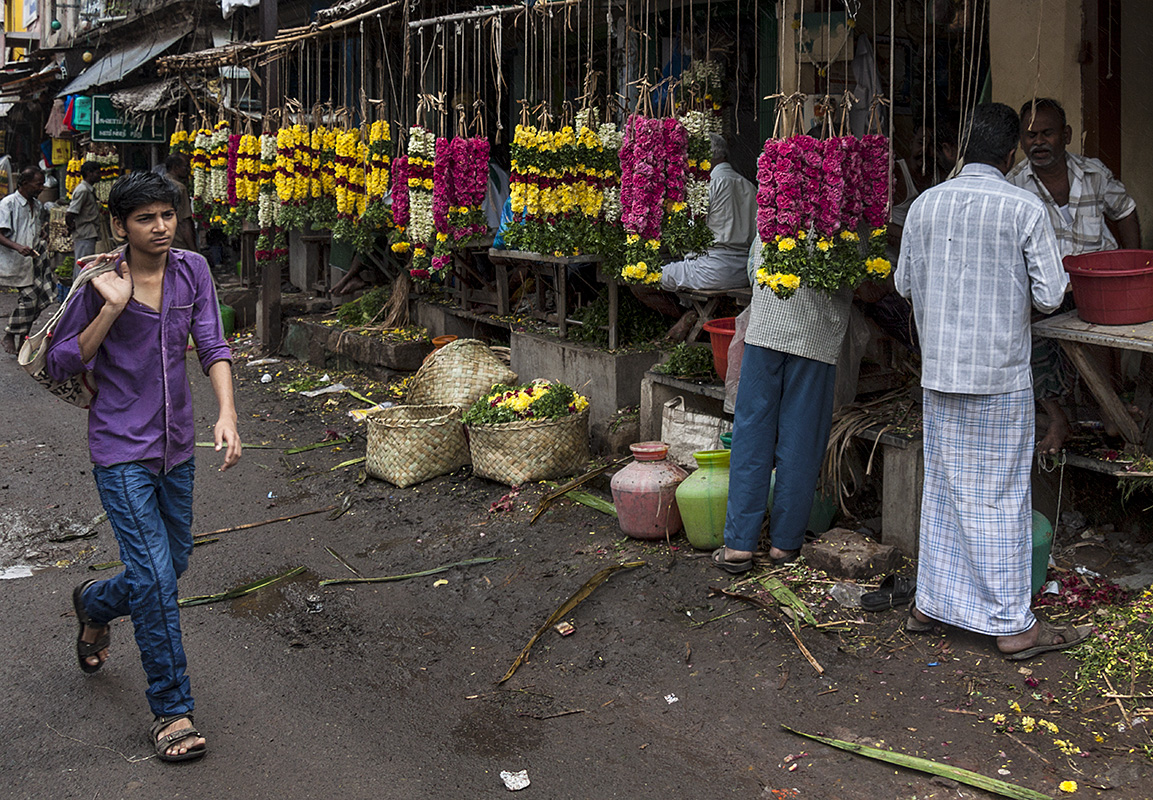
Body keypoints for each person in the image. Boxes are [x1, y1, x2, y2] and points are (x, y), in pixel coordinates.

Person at [46, 171, 241, 761]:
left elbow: (212, 343)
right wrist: (113, 306)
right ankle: (172, 710)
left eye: (167, 215)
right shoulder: (95, 280)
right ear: (119, 226)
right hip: (119, 448)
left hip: (176, 445)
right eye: (144, 218)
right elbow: (60, 361)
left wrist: (227, 413)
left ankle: (96, 603)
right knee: (155, 579)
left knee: (172, 564)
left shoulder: (193, 271)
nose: (159, 227)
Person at [895, 102, 1088, 660]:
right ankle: (1012, 624)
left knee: (947, 490)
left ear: (960, 149)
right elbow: (1051, 295)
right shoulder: (1023, 207)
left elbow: (904, 284)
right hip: (1000, 376)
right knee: (1001, 496)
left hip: (941, 374)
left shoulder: (926, 205)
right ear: (1009, 155)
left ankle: (931, 605)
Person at [1007, 97, 1141, 454]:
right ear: (1021, 141)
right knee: (1025, 332)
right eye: (1030, 135)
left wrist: (1133, 266)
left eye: (1047, 133)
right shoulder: (1014, 186)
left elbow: (1125, 211)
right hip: (1045, 288)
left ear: (1065, 135)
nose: (1038, 142)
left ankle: (1109, 410)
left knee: (1101, 336)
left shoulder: (1093, 173)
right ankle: (1057, 417)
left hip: (1096, 284)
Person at [712, 235, 852, 574]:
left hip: (767, 331)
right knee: (801, 441)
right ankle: (784, 544)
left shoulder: (776, 196)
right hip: (815, 338)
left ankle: (738, 547)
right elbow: (861, 277)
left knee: (752, 437)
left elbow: (751, 268)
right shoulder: (849, 212)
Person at [660, 133, 757, 292]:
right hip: (743, 270)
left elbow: (692, 228)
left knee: (648, 276)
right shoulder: (749, 186)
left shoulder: (709, 185)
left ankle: (684, 316)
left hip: (711, 269)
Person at [0, 167, 50, 355]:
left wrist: (41, 234)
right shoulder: (8, 204)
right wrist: (18, 247)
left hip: (34, 262)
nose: (41, 188)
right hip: (16, 262)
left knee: (41, 300)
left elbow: (35, 227)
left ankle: (23, 340)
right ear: (24, 183)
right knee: (29, 301)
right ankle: (10, 334)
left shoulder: (37, 205)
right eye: (38, 184)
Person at [66, 161, 102, 259]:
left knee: (85, 263)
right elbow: (70, 213)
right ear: (89, 173)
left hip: (88, 232)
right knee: (84, 264)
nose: (100, 176)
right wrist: (71, 225)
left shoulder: (88, 189)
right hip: (84, 233)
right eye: (97, 173)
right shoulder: (83, 190)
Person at [164, 154, 197, 252]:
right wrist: (193, 250)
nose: (188, 170)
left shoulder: (160, 182)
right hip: (179, 244)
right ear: (176, 168)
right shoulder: (179, 188)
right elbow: (184, 222)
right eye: (186, 166)